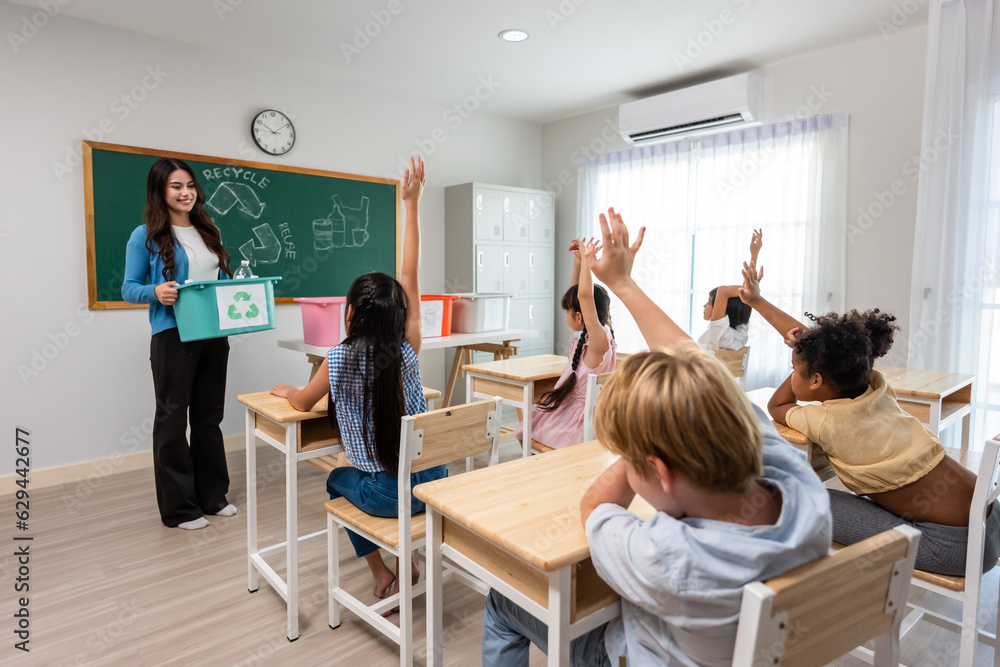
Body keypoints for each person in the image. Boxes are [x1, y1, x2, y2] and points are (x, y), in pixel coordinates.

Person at [481, 208, 832, 666]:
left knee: (503, 600)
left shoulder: (671, 557)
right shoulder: (799, 485)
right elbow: (704, 372)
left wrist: (638, 451)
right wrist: (624, 283)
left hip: (632, 656)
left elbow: (595, 509)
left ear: (659, 471)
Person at [738, 260, 1000, 576]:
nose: (793, 370)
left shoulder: (825, 422)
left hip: (952, 546)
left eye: (795, 369)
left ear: (817, 380)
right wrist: (758, 303)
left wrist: (798, 359)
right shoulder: (875, 386)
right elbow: (821, 348)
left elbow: (777, 404)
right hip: (989, 519)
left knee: (801, 495)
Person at [271, 156, 439, 602]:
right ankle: (407, 561)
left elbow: (303, 403)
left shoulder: (339, 359)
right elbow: (410, 274)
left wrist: (289, 391)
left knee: (334, 479)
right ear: (401, 316)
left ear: (349, 314)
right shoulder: (408, 350)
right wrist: (412, 205)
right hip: (436, 482)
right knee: (379, 475)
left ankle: (383, 572)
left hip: (389, 495)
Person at [121, 157, 236, 530]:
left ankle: (212, 498)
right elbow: (128, 288)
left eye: (189, 185)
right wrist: (155, 291)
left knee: (208, 419)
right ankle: (180, 509)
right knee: (172, 422)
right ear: (160, 190)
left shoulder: (209, 230)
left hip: (214, 336)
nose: (186, 192)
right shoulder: (145, 236)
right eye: (176, 186)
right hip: (172, 337)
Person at [515, 238, 615, 449]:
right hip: (585, 420)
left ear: (579, 316)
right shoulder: (599, 336)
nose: (566, 315)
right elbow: (578, 296)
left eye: (567, 311)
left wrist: (588, 260)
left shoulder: (598, 339)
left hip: (577, 428)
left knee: (526, 429)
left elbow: (583, 296)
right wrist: (578, 263)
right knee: (530, 423)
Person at [697, 228, 762, 350]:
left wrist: (752, 291)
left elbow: (723, 291)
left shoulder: (718, 333)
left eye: (710, 303)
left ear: (724, 311)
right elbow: (744, 301)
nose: (704, 306)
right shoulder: (740, 334)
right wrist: (754, 255)